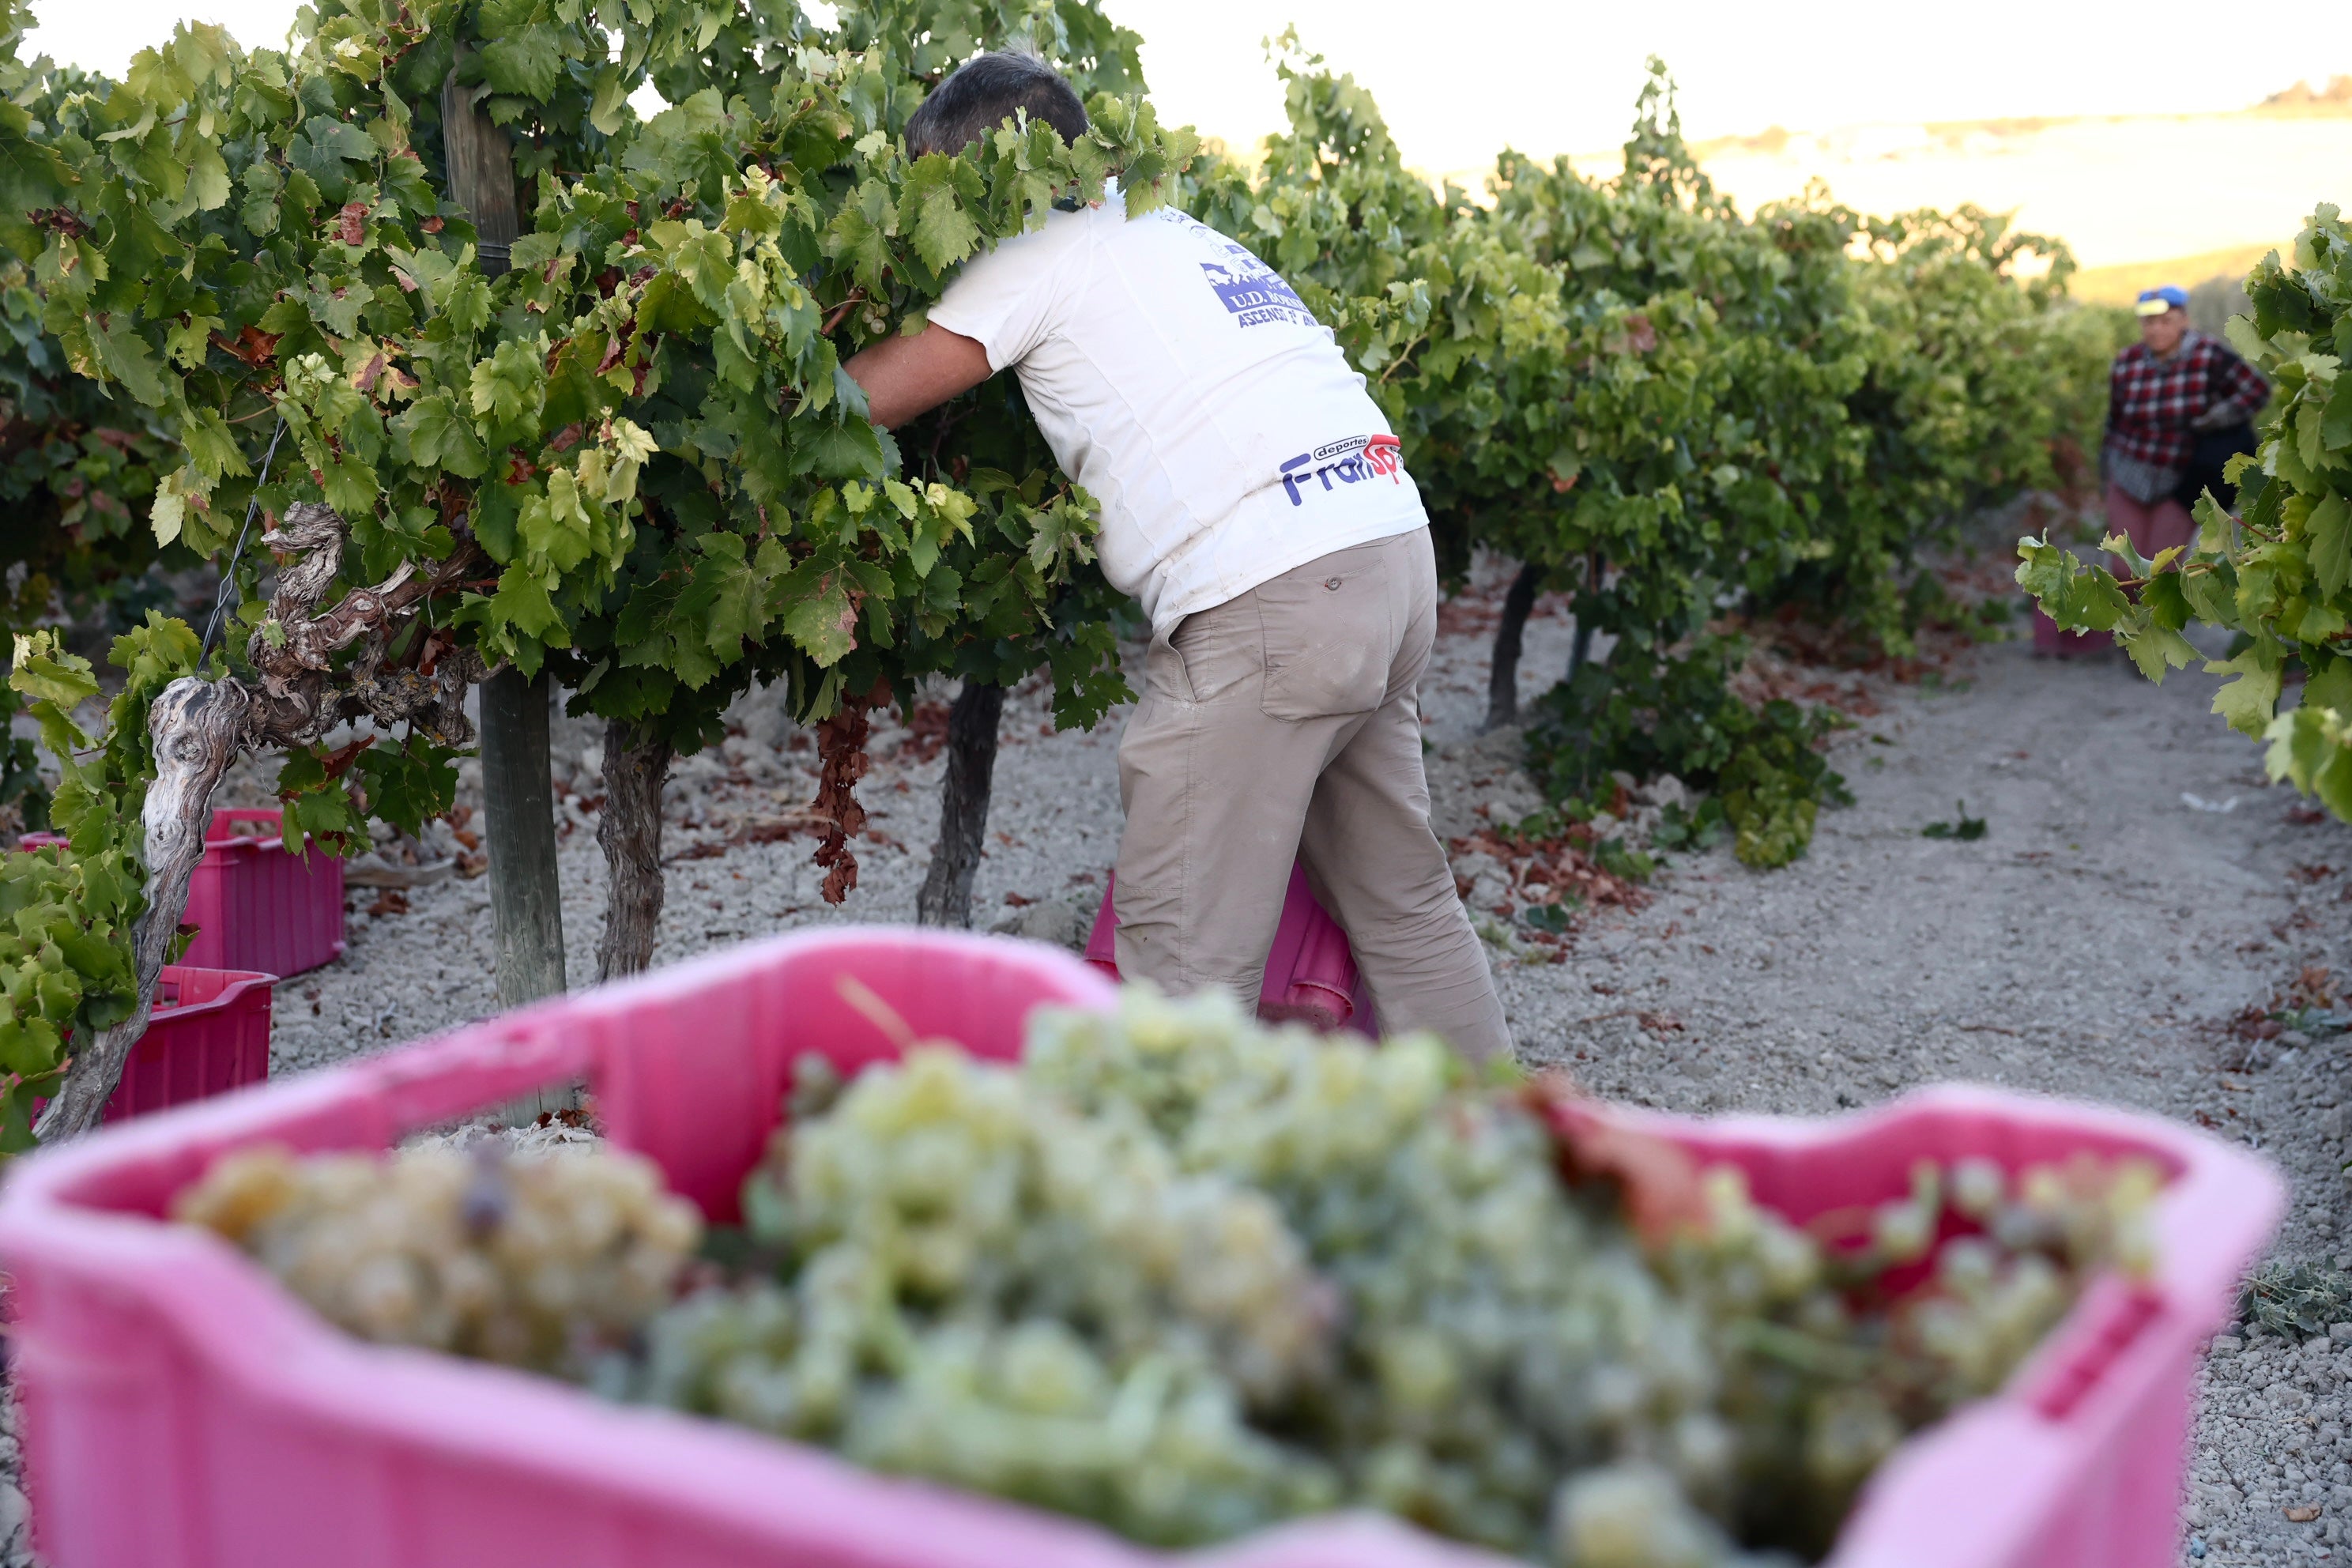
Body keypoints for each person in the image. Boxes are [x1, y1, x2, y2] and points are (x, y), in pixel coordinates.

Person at [842, 52, 1511, 1061]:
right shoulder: (1178, 232)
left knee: (1180, 964)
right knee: (1404, 905)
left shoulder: (1036, 252)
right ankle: (1507, 1144)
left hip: (1275, 595)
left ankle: (1172, 1165)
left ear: (980, 177)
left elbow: (860, 401)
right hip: (1384, 552)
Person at [2101, 283, 2269, 557]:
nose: (2156, 330)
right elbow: (2114, 422)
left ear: (2184, 320)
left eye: (2166, 321)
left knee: (2161, 562)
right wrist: (2105, 473)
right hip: (2129, 474)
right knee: (2124, 564)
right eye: (2149, 322)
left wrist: (2216, 419)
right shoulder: (2127, 362)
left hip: (2181, 477)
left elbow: (2257, 390)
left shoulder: (2208, 355)